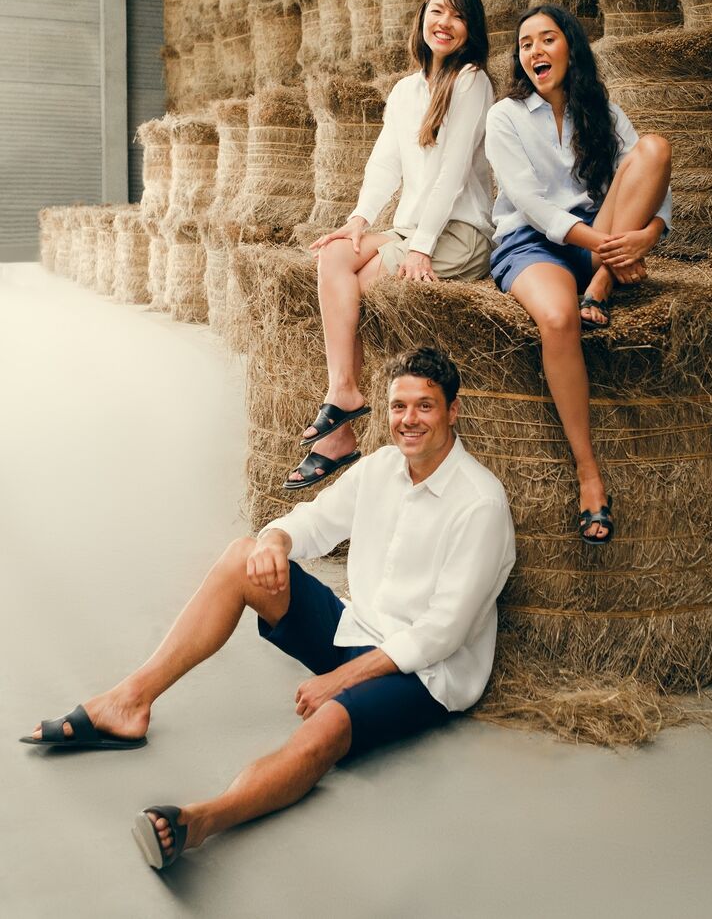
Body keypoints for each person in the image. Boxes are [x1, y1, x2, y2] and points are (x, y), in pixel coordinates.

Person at [21, 348, 515, 872]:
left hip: (427, 675)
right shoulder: (382, 469)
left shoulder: (480, 503)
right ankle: (128, 703)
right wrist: (275, 541)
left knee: (328, 725)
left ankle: (200, 821)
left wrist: (339, 681)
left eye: (425, 407)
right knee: (244, 555)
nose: (408, 420)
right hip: (358, 629)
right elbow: (314, 521)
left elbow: (442, 633)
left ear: (453, 411)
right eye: (398, 407)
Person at [285, 0, 495, 490]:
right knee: (334, 255)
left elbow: (450, 174)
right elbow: (385, 162)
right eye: (436, 11)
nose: (443, 23)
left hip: (459, 232)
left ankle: (336, 437)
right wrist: (359, 219)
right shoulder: (405, 91)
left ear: (470, 31)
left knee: (356, 287)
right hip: (410, 227)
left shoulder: (471, 82)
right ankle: (344, 393)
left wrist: (420, 247)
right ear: (421, 18)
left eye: (457, 16)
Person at [485, 4, 672, 543]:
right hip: (532, 241)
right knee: (558, 318)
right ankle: (589, 475)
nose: (536, 51)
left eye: (547, 39)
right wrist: (616, 248)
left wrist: (646, 236)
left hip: (599, 238)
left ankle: (601, 285)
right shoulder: (506, 117)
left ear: (570, 46)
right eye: (526, 45)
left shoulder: (603, 111)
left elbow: (653, 182)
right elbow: (535, 207)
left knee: (654, 147)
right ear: (520, 60)